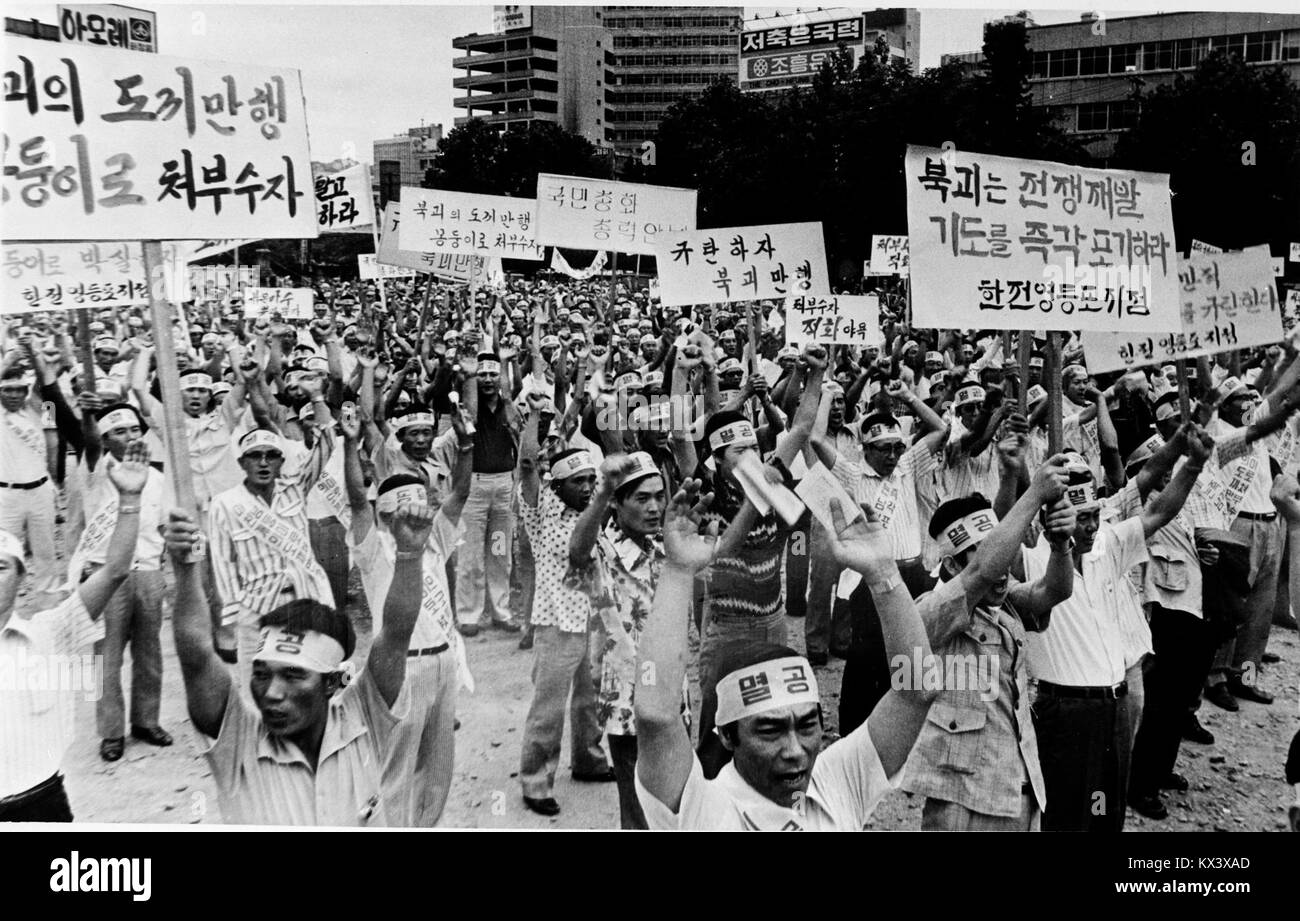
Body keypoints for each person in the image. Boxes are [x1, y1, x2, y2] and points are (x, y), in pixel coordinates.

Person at [633, 481, 936, 830]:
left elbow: (917, 692)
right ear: (728, 737)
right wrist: (677, 571)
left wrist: (884, 574)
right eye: (770, 730)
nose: (795, 751)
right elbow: (655, 715)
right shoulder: (701, 808)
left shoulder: (836, 780)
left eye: (807, 725)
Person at [160, 500, 431, 826]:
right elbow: (197, 657)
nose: (271, 693)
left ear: (331, 684)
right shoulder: (239, 741)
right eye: (261, 674)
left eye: (293, 675)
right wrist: (187, 569)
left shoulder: (364, 717)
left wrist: (410, 556)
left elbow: (397, 632)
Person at [1024, 428, 1210, 831]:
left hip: (1112, 706)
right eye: (1081, 519)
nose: (1091, 527)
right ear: (1053, 517)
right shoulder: (1029, 558)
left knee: (1105, 813)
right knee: (1063, 815)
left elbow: (1159, 512)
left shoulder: (1109, 542)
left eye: (1094, 515)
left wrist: (1192, 465)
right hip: (1063, 711)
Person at [904, 446, 1077, 830]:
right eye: (991, 558)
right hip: (963, 797)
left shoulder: (1003, 601)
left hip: (1016, 781)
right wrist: (1033, 495)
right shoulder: (931, 610)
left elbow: (1054, 592)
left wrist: (1062, 544)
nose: (1002, 573)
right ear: (950, 564)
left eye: (1005, 555)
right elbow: (982, 571)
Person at [0, 441, 150, 821]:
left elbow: (115, 570)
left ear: (22, 578)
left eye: (0, 566)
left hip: (41, 802)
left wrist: (129, 499)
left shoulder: (49, 633)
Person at [343, 396, 474, 827]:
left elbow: (458, 495)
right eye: (404, 506)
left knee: (438, 770)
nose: (414, 514)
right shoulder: (373, 548)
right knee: (395, 767)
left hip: (443, 659)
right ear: (387, 512)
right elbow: (357, 503)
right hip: (401, 665)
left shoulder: (433, 539)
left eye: (419, 504)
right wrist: (349, 445)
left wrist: (468, 447)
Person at [516, 391, 613, 816]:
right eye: (579, 481)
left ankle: (589, 760)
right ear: (558, 485)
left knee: (590, 703)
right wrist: (536, 415)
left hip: (594, 620)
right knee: (548, 708)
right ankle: (536, 781)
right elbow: (525, 465)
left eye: (591, 480)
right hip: (556, 623)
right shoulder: (540, 511)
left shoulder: (595, 512)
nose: (588, 487)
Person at [207, 375, 336, 671]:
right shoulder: (226, 504)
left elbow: (328, 442)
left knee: (312, 678)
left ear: (280, 461)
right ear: (242, 463)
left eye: (271, 456)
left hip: (308, 599)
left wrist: (317, 396)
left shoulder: (294, 487)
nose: (263, 463)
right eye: (254, 456)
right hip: (258, 610)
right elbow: (224, 567)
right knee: (259, 688)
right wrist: (236, 618)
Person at [68, 403, 174, 762]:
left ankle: (146, 721)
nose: (129, 438)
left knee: (149, 652)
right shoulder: (95, 471)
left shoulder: (157, 479)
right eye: (118, 432)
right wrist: (86, 418)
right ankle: (111, 732)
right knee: (107, 657)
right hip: (105, 574)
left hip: (147, 571)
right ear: (104, 439)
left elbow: (162, 526)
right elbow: (89, 442)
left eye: (133, 430)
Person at [567, 451, 666, 829]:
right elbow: (577, 552)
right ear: (617, 503)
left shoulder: (664, 544)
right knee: (637, 799)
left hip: (670, 686)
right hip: (627, 694)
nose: (654, 507)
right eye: (642, 499)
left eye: (659, 496)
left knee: (670, 791)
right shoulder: (604, 552)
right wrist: (603, 488)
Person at [455, 351, 522, 635]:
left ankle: (500, 610)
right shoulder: (470, 405)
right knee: (470, 554)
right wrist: (469, 375)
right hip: (475, 487)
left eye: (493, 374)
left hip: (503, 487)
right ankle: (469, 614)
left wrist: (505, 367)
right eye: (481, 374)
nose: (487, 380)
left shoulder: (508, 406)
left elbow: (515, 421)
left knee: (498, 551)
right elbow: (468, 414)